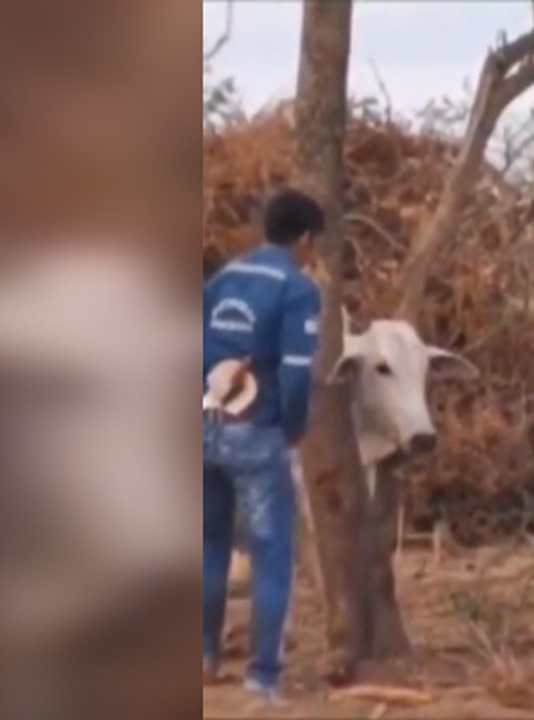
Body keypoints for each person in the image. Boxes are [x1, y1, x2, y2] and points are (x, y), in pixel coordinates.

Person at [202, 189, 324, 701]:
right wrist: (293, 428)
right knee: (272, 553)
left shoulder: (223, 279)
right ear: (305, 238)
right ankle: (263, 677)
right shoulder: (298, 289)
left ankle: (204, 657)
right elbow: (296, 374)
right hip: (259, 433)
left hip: (205, 424)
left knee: (208, 544)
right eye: (315, 245)